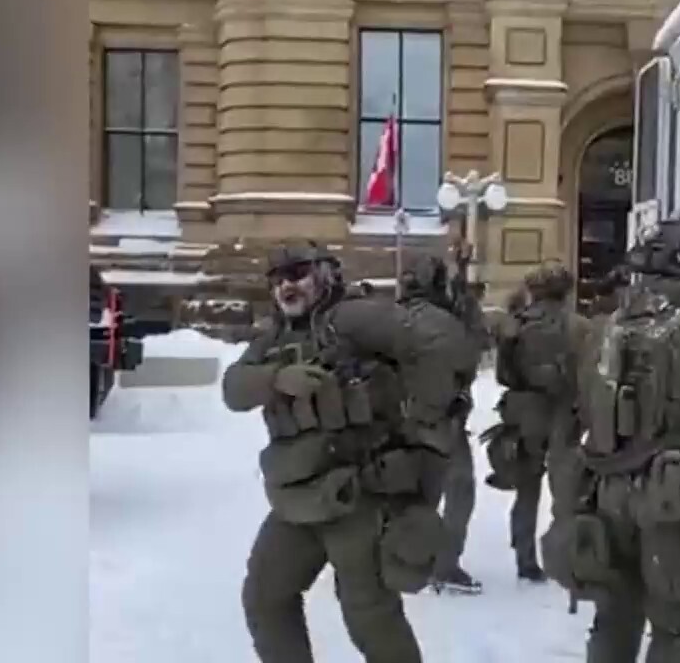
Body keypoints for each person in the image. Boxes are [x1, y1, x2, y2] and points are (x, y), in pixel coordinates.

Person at [222, 240, 468, 663]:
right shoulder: (277, 337)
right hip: (298, 497)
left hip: (360, 493)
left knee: (370, 615)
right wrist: (278, 379)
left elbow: (443, 344)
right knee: (265, 596)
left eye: (297, 273)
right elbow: (233, 388)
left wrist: (426, 418)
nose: (287, 286)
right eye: (278, 279)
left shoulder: (353, 317)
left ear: (325, 274)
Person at [541, 219, 680, 663]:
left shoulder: (599, 330)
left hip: (603, 493)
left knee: (614, 616)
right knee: (675, 628)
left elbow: (567, 422)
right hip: (676, 503)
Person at [484, 260, 590, 582]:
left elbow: (503, 374)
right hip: (564, 412)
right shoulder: (581, 327)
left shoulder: (515, 325)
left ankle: (525, 559)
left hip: (525, 412)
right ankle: (565, 559)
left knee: (527, 490)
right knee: (566, 491)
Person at [397, 254, 485, 595]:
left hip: (396, 419)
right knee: (458, 491)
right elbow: (471, 354)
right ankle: (443, 564)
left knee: (404, 492)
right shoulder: (445, 323)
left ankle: (401, 558)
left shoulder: (390, 317)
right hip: (440, 421)